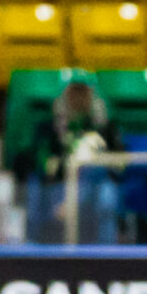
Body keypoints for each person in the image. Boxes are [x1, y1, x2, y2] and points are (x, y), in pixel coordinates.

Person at [23, 75, 119, 245]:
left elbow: (112, 163)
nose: (77, 100)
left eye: (83, 94)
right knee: (33, 185)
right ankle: (33, 243)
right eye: (73, 94)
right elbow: (39, 161)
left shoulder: (98, 126)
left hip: (89, 186)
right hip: (58, 184)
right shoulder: (48, 127)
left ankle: (106, 250)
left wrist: (101, 125)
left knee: (107, 191)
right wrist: (60, 131)